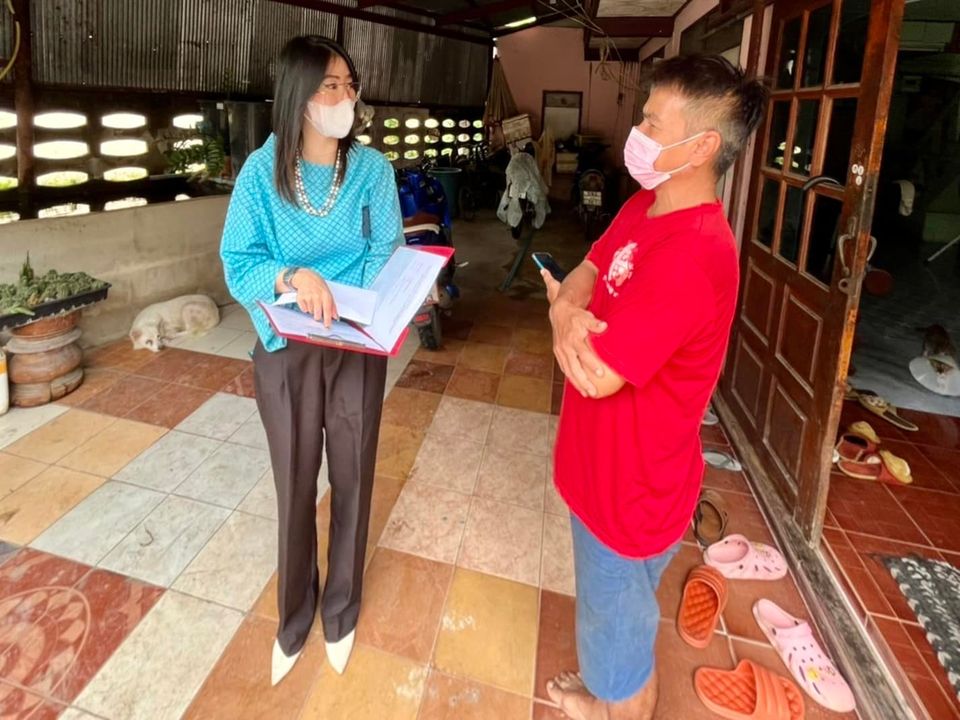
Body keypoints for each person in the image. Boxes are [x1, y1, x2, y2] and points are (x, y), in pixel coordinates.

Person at [542, 55, 768, 720]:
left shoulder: (694, 255)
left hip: (629, 495)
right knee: (614, 625)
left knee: (622, 652)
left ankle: (615, 705)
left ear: (701, 147)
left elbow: (594, 374)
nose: (635, 133)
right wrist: (566, 312)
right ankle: (603, 692)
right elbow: (588, 268)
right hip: (604, 473)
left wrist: (563, 318)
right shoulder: (647, 204)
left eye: (650, 122)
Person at [220, 35, 403, 685]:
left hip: (354, 343)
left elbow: (385, 249)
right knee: (296, 484)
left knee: (353, 475)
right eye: (331, 85)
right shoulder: (261, 173)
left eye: (350, 84)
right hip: (287, 347)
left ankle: (341, 612)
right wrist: (293, 276)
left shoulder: (372, 170)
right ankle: (294, 618)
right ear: (298, 95)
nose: (345, 97)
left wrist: (355, 303)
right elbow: (239, 260)